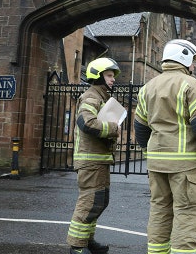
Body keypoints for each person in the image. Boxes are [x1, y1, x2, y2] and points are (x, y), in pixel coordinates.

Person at [134, 39, 196, 254]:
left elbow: (140, 126)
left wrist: (150, 153)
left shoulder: (147, 87)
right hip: (184, 166)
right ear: (183, 58)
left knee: (159, 211)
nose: (194, 67)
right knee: (187, 214)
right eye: (192, 61)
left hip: (156, 164)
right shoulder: (191, 85)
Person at [66, 57, 121, 254]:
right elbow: (86, 123)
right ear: (97, 76)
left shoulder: (101, 97)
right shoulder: (91, 97)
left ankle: (87, 240)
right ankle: (77, 247)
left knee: (99, 202)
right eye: (108, 75)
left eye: (113, 76)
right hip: (90, 162)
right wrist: (113, 128)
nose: (113, 79)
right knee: (89, 203)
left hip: (99, 161)